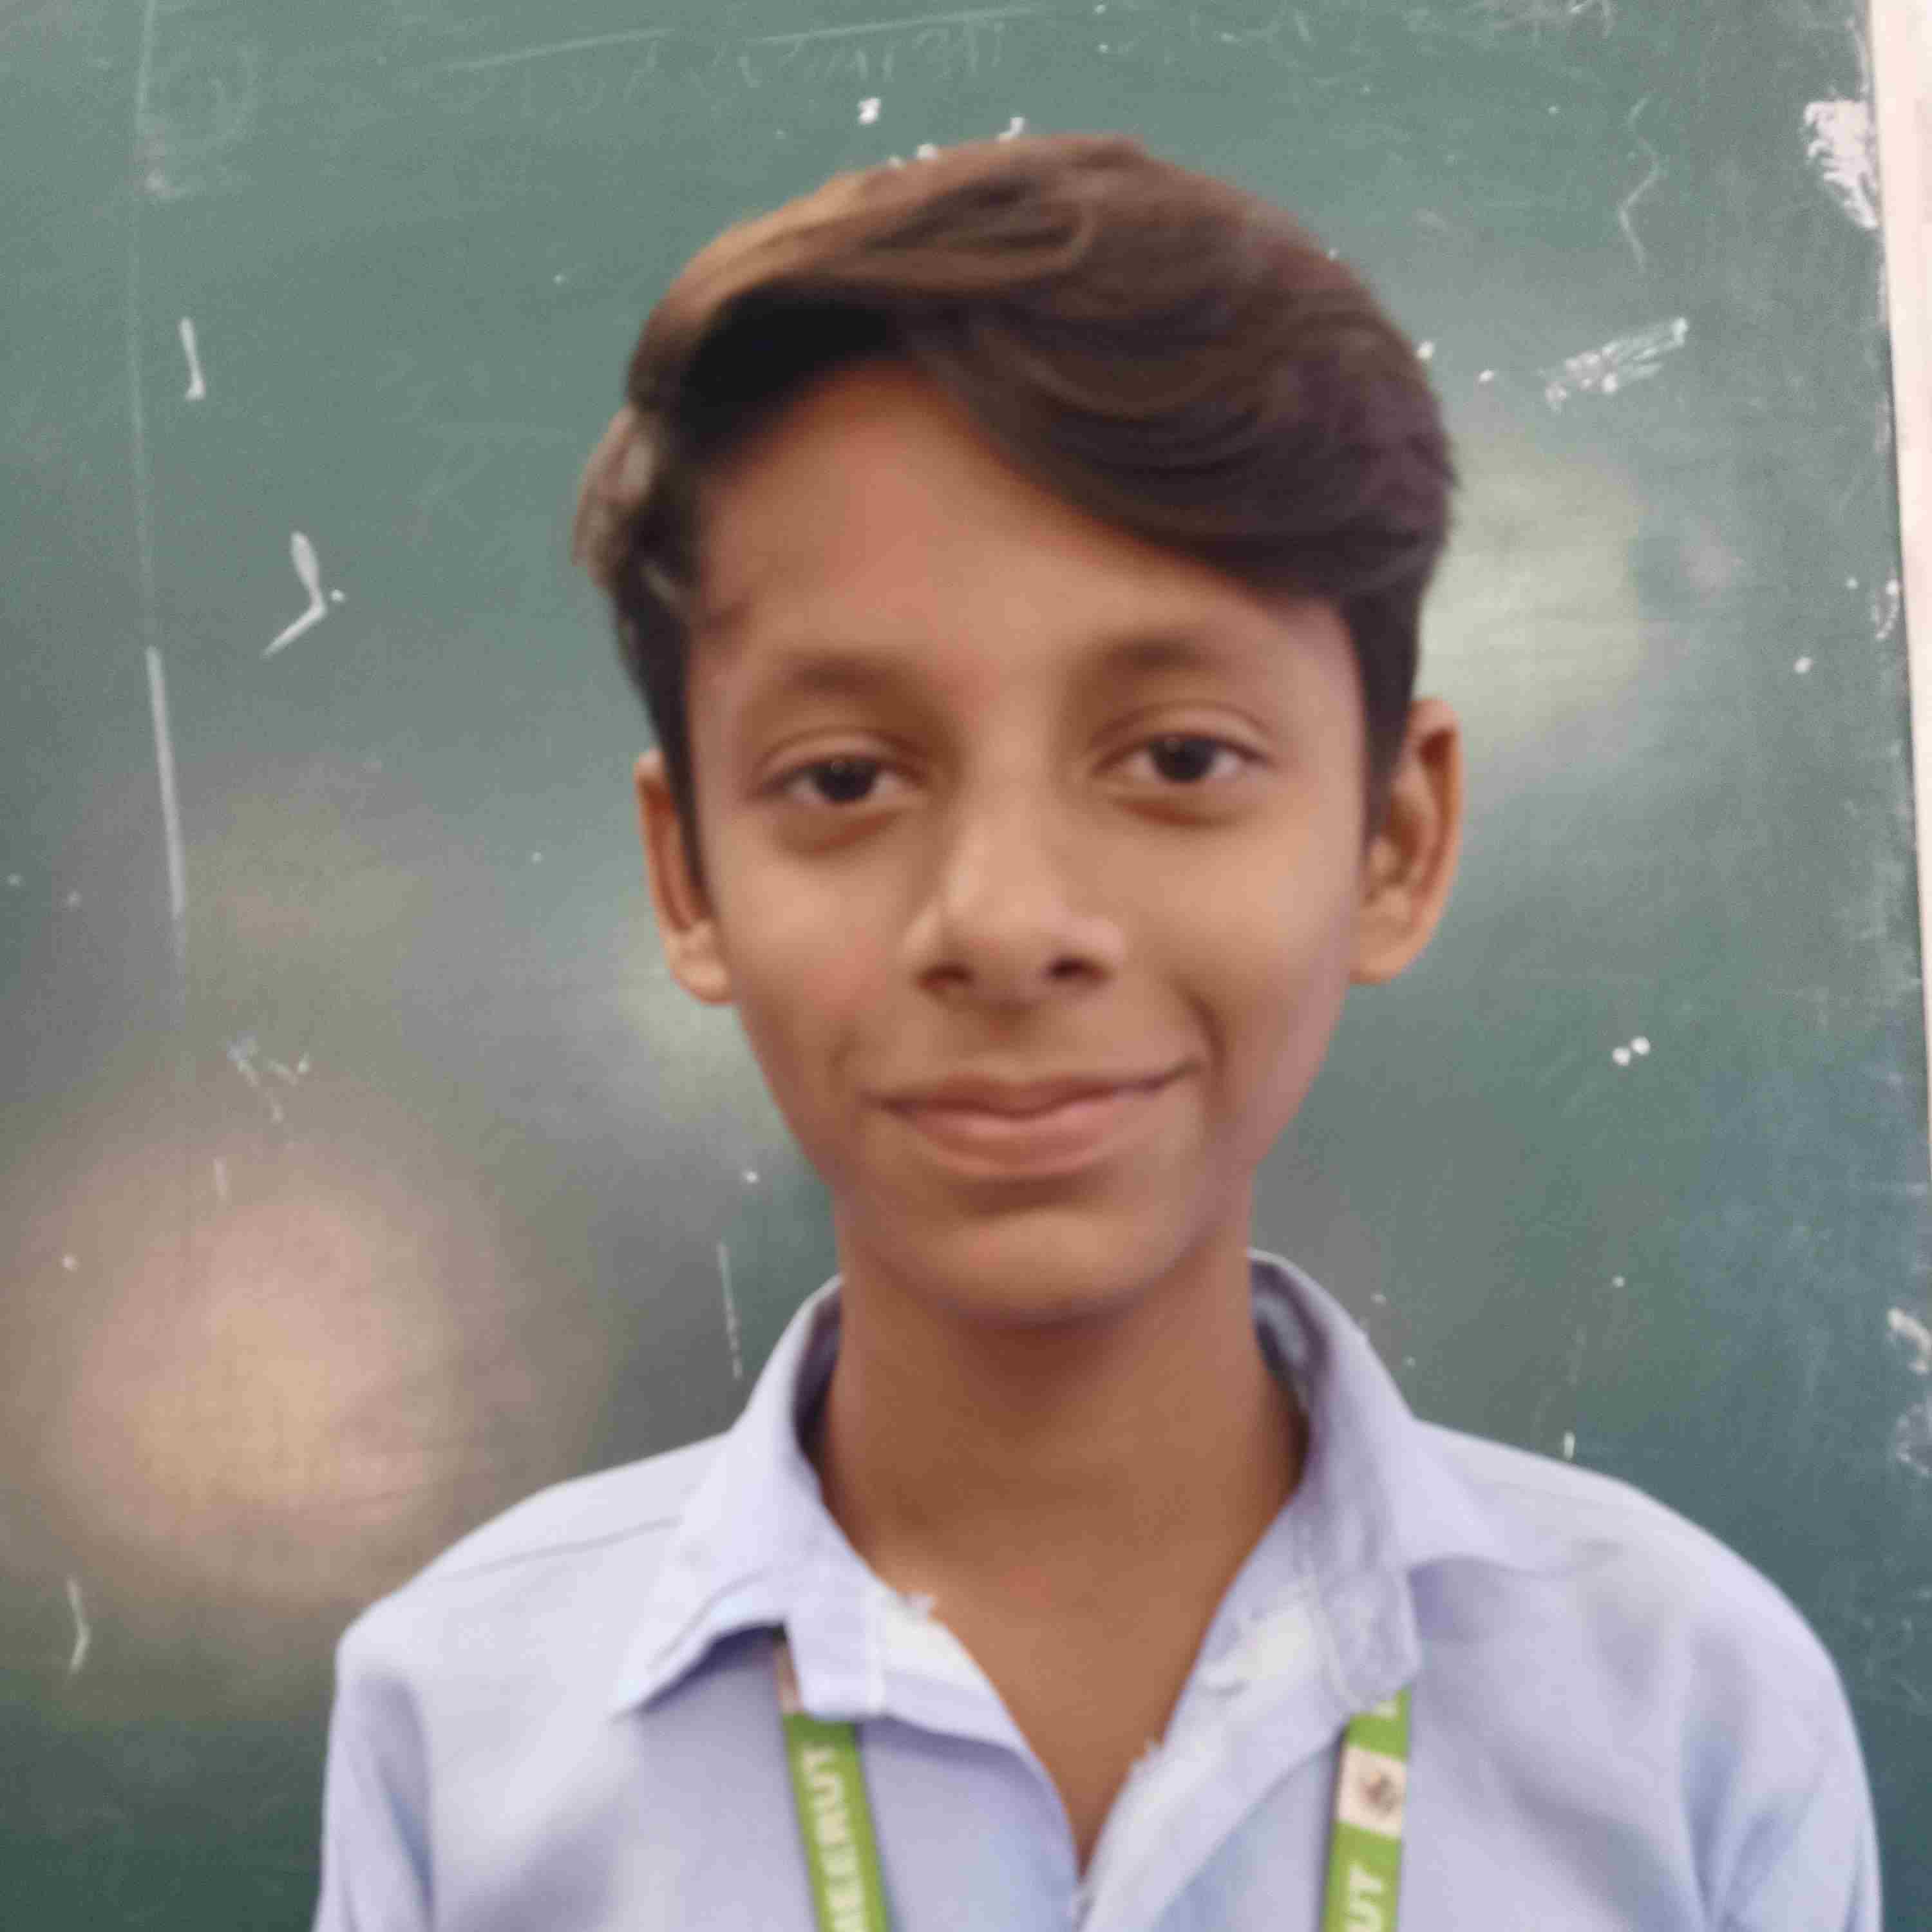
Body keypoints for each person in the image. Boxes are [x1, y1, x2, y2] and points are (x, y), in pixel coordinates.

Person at [312, 134, 1880, 1931]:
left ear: (1394, 838)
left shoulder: (1691, 1721)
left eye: (1181, 757)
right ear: (689, 879)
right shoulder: (465, 1732)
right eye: (844, 778)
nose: (1004, 922)